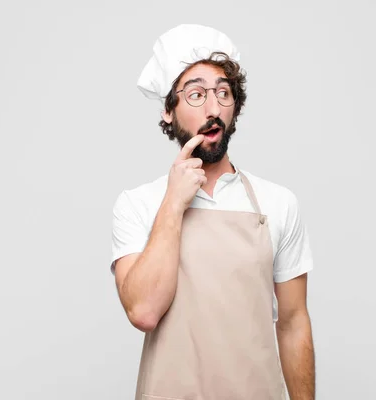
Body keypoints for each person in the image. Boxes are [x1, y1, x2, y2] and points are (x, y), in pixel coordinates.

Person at [110, 24, 315, 400]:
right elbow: (143, 311)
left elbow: (292, 324)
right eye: (196, 94)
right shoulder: (137, 204)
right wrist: (174, 202)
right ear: (168, 112)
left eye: (223, 93)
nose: (213, 108)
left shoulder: (278, 203)